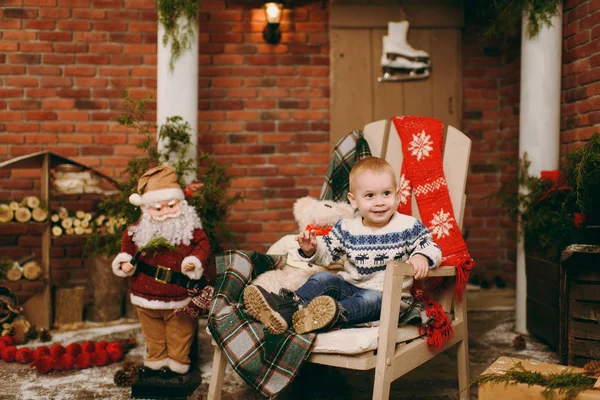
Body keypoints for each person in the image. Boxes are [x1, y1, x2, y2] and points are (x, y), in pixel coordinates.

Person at [243, 156, 441, 335]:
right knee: (322, 277)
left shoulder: (407, 225)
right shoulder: (347, 227)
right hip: (350, 286)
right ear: (354, 201)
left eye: (386, 194)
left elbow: (432, 247)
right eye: (370, 196)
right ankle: (287, 308)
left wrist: (421, 257)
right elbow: (327, 252)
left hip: (386, 298)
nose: (379, 202)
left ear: (398, 196)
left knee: (366, 300)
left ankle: (329, 315)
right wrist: (311, 249)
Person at [111, 165, 211, 377]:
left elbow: (202, 246)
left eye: (171, 206)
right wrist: (125, 263)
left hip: (179, 295)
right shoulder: (135, 231)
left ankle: (177, 365)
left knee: (180, 333)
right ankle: (156, 362)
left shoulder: (191, 229)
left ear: (180, 203)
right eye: (158, 209)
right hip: (145, 294)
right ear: (147, 209)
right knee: (153, 333)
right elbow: (126, 251)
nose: (165, 212)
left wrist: (194, 260)